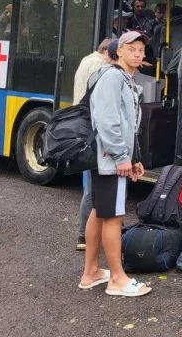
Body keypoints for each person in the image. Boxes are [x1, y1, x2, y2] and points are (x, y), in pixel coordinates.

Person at [79, 30, 151, 297]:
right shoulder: (112, 77)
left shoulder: (122, 78)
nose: (138, 54)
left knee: (99, 211)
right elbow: (107, 121)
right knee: (113, 215)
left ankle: (91, 272)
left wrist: (134, 158)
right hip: (109, 160)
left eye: (141, 50)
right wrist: (122, 157)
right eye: (132, 49)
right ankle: (117, 279)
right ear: (118, 50)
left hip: (108, 158)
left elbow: (127, 124)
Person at [73, 39, 112, 251]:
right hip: (91, 129)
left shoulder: (86, 60)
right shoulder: (99, 65)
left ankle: (92, 234)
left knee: (91, 185)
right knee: (92, 189)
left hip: (83, 125)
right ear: (105, 51)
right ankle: (84, 235)